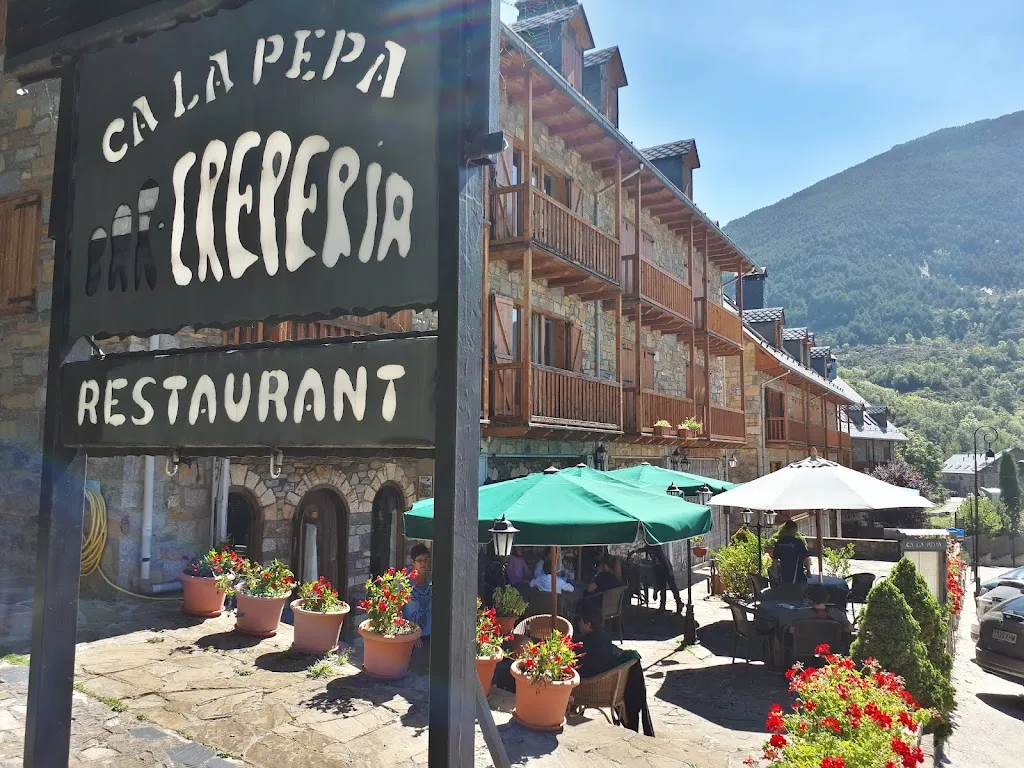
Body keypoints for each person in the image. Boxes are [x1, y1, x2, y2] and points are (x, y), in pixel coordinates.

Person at [576, 605, 618, 679]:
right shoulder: (606, 638)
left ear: (588, 624)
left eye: (581, 620)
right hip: (607, 680)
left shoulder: (583, 643)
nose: (579, 623)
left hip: (587, 683)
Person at [403, 544, 432, 642]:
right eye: (420, 560)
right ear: (413, 562)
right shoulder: (405, 584)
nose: (423, 563)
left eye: (426, 560)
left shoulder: (432, 580)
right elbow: (397, 612)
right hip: (411, 639)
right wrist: (412, 635)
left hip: (430, 635)